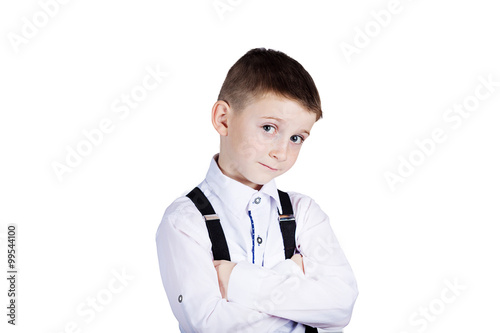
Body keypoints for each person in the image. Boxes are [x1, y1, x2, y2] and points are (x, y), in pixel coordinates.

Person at [156, 48, 358, 333]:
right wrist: (293, 278)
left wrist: (234, 279)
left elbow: (340, 305)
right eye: (268, 128)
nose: (281, 152)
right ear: (223, 119)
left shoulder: (305, 213)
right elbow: (210, 325)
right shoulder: (185, 221)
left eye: (297, 137)